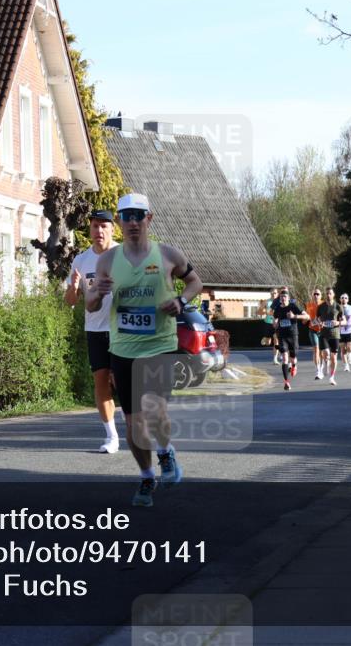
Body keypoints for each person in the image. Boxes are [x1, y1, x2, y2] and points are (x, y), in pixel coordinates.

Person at [85, 193, 202, 507]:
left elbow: (195, 282)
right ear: (120, 222)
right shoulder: (108, 260)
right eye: (127, 216)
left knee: (153, 408)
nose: (133, 222)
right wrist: (97, 293)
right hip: (122, 348)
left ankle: (165, 452)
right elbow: (90, 303)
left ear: (149, 218)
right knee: (134, 422)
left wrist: (180, 301)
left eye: (139, 216)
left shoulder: (167, 254)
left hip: (160, 346)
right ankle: (147, 476)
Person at [64, 209, 121, 453]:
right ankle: (112, 436)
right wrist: (74, 287)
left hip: (123, 329)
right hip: (95, 329)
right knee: (100, 381)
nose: (98, 231)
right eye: (95, 226)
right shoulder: (81, 261)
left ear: (112, 229)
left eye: (104, 226)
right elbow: (70, 301)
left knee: (123, 382)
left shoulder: (124, 255)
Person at [273, 289, 309, 391]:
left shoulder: (293, 306)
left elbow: (307, 316)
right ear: (279, 299)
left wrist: (294, 316)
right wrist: (275, 323)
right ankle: (286, 382)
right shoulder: (277, 309)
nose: (283, 299)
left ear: (288, 298)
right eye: (281, 297)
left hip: (293, 335)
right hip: (282, 336)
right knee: (285, 358)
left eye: (285, 297)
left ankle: (294, 365)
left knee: (293, 358)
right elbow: (275, 320)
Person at [315, 287, 345, 386]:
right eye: (327, 293)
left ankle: (332, 377)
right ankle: (325, 362)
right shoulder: (321, 307)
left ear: (333, 295)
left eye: (330, 293)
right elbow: (317, 318)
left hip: (335, 335)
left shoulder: (338, 307)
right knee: (326, 353)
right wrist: (320, 323)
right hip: (324, 334)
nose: (328, 295)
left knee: (334, 357)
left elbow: (344, 321)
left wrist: (337, 322)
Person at [305, 288, 325, 380]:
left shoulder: (324, 304)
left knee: (322, 352)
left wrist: (321, 321)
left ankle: (322, 367)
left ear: (321, 296)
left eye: (318, 294)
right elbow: (306, 319)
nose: (316, 295)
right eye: (314, 294)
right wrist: (305, 319)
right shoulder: (309, 305)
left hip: (323, 330)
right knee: (316, 349)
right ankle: (318, 371)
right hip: (312, 330)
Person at [339, 293, 351, 371]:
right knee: (343, 350)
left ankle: (350, 354)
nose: (344, 299)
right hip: (340, 332)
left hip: (350, 330)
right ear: (340, 299)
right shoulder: (337, 308)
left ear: (348, 299)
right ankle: (346, 365)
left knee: (349, 348)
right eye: (342, 298)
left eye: (346, 298)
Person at [263, 288, 279, 362]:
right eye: (272, 293)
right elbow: (261, 310)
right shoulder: (267, 302)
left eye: (275, 293)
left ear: (277, 294)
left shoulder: (280, 301)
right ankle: (265, 338)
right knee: (268, 342)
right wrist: (264, 311)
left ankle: (275, 358)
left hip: (277, 323)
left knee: (276, 339)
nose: (274, 294)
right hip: (268, 322)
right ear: (270, 293)